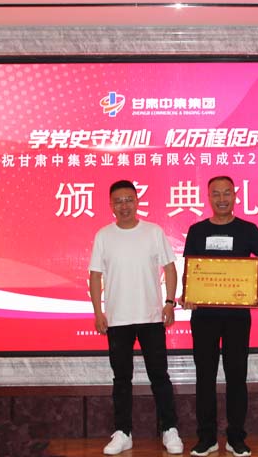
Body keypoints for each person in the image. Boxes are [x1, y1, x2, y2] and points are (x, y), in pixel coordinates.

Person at [181, 175, 258, 457]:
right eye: (216, 194)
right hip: (204, 317)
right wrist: (187, 295)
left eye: (227, 193)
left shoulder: (248, 229)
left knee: (237, 376)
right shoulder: (197, 231)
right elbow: (191, 271)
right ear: (208, 197)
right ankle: (207, 438)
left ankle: (236, 437)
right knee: (205, 377)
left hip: (237, 318)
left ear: (235, 196)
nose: (222, 199)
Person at [89, 179, 184, 455]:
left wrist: (169, 302)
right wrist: (98, 312)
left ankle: (169, 429)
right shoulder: (104, 236)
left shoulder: (153, 232)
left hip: (151, 317)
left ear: (137, 201)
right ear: (111, 205)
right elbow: (95, 275)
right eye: (118, 201)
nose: (124, 205)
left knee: (159, 376)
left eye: (129, 200)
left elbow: (170, 268)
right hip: (117, 319)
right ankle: (123, 432)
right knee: (121, 379)